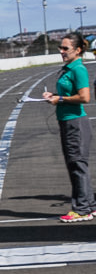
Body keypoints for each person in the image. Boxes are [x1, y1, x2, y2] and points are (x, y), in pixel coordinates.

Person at [43, 32, 96, 222]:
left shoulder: (78, 69)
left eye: (65, 48)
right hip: (67, 121)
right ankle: (89, 205)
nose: (61, 51)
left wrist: (61, 99)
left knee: (76, 165)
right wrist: (55, 96)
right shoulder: (68, 68)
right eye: (61, 48)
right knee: (77, 165)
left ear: (78, 50)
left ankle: (82, 209)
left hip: (75, 123)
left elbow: (85, 97)